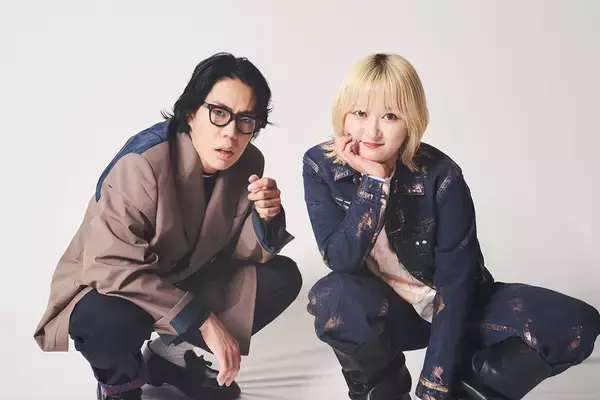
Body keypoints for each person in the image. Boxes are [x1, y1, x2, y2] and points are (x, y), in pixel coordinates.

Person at [302, 53, 600, 400]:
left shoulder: (441, 176)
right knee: (335, 297)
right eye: (360, 113)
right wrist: (374, 185)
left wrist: (434, 385)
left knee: (577, 323)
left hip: (458, 309)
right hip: (387, 315)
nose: (372, 131)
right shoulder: (321, 166)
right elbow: (341, 260)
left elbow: (456, 283)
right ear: (343, 113)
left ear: (412, 120)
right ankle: (383, 391)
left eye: (390, 115)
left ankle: (466, 390)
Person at [34, 52, 301, 400]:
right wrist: (203, 320)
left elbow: (235, 253)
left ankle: (169, 355)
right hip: (109, 285)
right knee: (106, 322)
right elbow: (111, 266)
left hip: (177, 277)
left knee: (280, 278)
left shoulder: (248, 161)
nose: (231, 133)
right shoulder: (142, 162)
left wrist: (266, 218)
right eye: (219, 113)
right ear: (191, 112)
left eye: (245, 120)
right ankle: (120, 385)